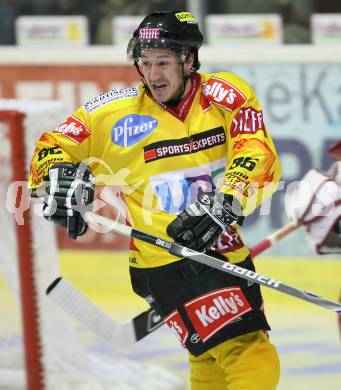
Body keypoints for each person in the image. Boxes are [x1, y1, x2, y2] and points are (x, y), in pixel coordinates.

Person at [28, 10, 281, 390]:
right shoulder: (113, 113)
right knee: (251, 353)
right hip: (168, 260)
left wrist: (227, 200)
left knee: (211, 360)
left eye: (163, 62)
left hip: (224, 250)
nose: (153, 74)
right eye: (144, 63)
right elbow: (52, 147)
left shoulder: (226, 93)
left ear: (189, 60)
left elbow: (256, 148)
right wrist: (57, 176)